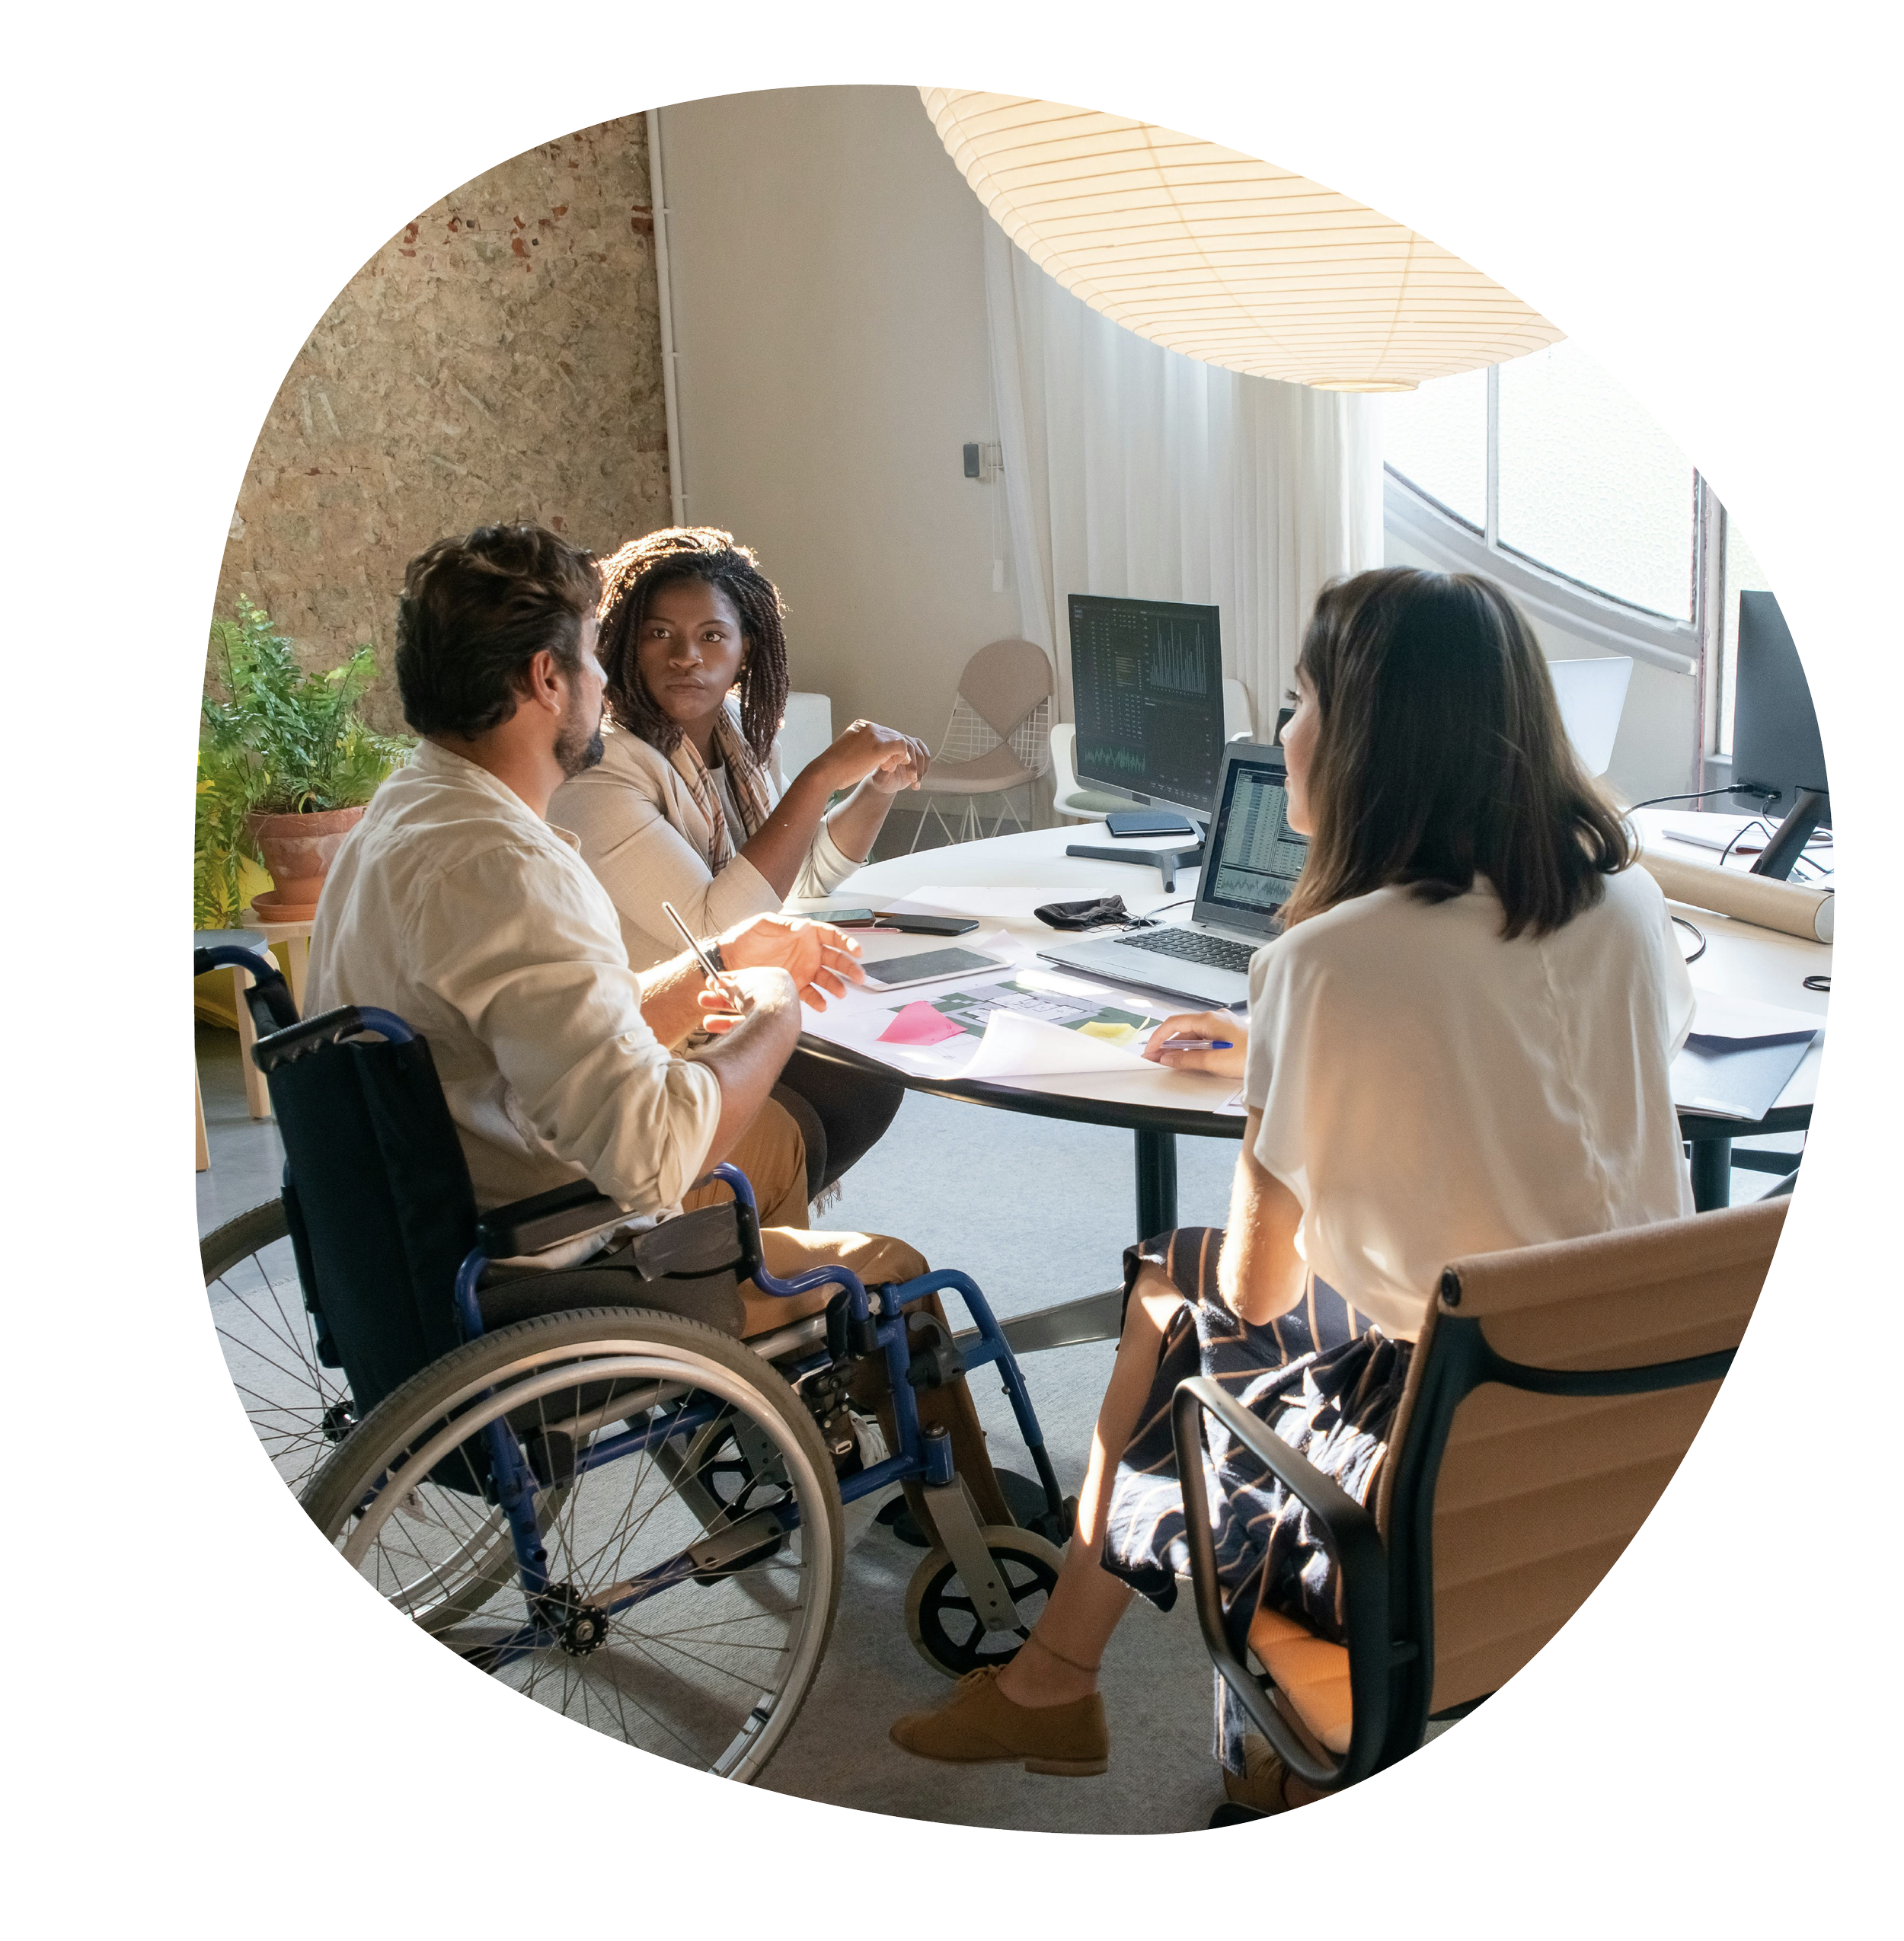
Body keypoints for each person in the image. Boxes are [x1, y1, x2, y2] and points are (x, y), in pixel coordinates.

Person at [887, 566, 1698, 1813]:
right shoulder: (1628, 900)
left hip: (1433, 1432)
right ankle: (1061, 1678)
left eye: (1299, 701)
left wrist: (1282, 1064)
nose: (1281, 735)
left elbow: (1262, 1283)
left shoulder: (1323, 960)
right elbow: (1542, 1088)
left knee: (1175, 1297)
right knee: (1187, 1290)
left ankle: (1073, 1681)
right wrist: (1291, 1059)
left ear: (1370, 737)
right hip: (1627, 1395)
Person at [304, 523, 1010, 1509]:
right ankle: (978, 1551)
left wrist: (716, 963)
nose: (609, 681)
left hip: (428, 1224)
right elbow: (649, 1153)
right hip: (563, 1257)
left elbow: (542, 1022)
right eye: (599, 653)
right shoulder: (517, 869)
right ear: (550, 679)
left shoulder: (407, 812)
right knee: (904, 1275)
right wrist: (768, 1004)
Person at [551, 527, 925, 1205]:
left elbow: (795, 881)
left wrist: (874, 789)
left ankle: (751, 1233)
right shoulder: (603, 769)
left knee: (871, 1066)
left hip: (729, 1004)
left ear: (746, 647)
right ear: (626, 641)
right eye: (660, 634)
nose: (686, 657)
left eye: (712, 637)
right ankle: (730, 1237)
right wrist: (820, 776)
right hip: (655, 1037)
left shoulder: (736, 738)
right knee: (821, 1099)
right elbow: (721, 920)